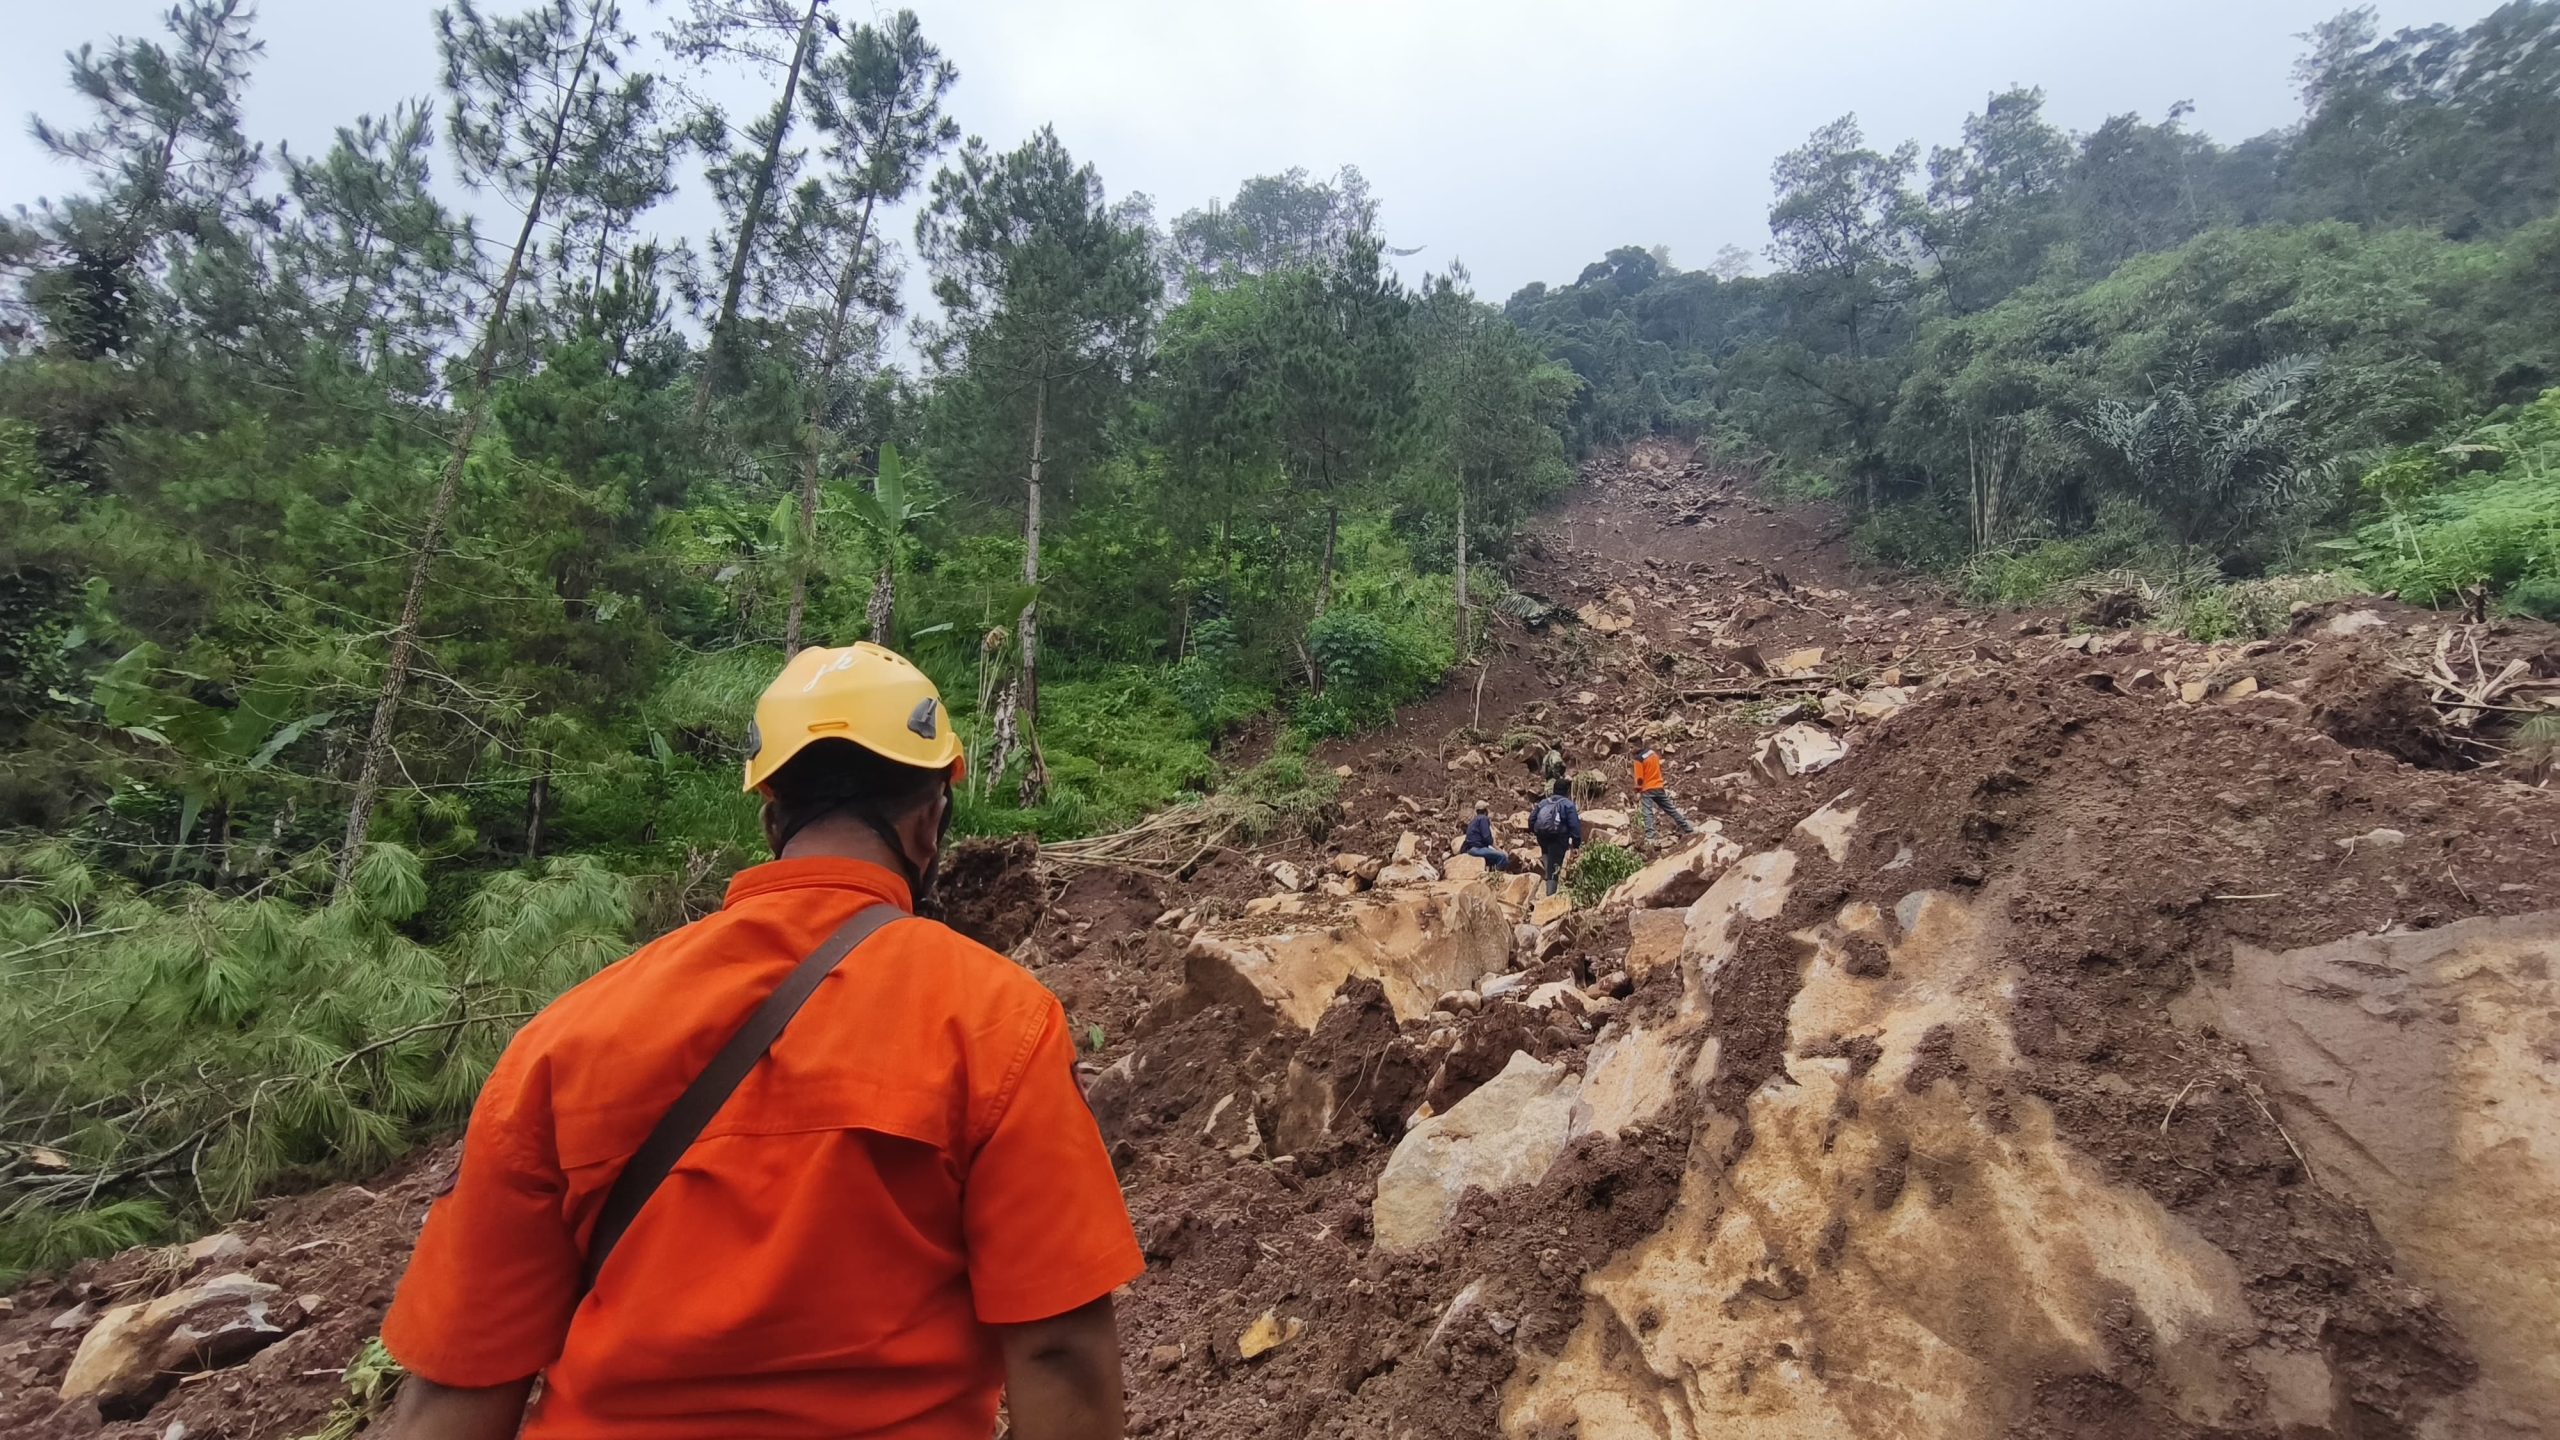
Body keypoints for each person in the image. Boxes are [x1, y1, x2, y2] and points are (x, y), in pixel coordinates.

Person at [375, 643, 1141, 1440]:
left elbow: (460, 1387)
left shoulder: (562, 1041)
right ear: (928, 823)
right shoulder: (995, 1022)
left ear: (773, 816)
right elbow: (1058, 1351)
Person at [1630, 746, 1698, 845]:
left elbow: (1639, 778)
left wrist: (1637, 789)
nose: (1631, 749)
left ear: (1637, 744)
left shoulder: (1638, 759)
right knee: (1671, 809)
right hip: (1658, 786)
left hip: (1647, 789)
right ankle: (1688, 829)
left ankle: (1650, 838)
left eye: (1632, 746)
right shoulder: (1652, 753)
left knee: (1647, 812)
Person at [1528, 778, 1584, 896]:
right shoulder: (1567, 805)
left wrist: (1536, 831)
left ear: (1553, 790)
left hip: (1543, 838)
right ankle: (1550, 897)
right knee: (1554, 868)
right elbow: (1574, 825)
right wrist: (1576, 844)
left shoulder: (1544, 802)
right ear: (1567, 791)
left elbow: (1531, 819)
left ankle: (1548, 881)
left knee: (1548, 860)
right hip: (1558, 839)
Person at [1460, 800, 1512, 872]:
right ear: (1485, 811)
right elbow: (1487, 838)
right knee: (1502, 857)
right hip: (1477, 849)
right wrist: (1499, 850)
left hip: (1470, 848)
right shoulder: (1483, 818)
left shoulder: (1474, 820)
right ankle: (1498, 875)